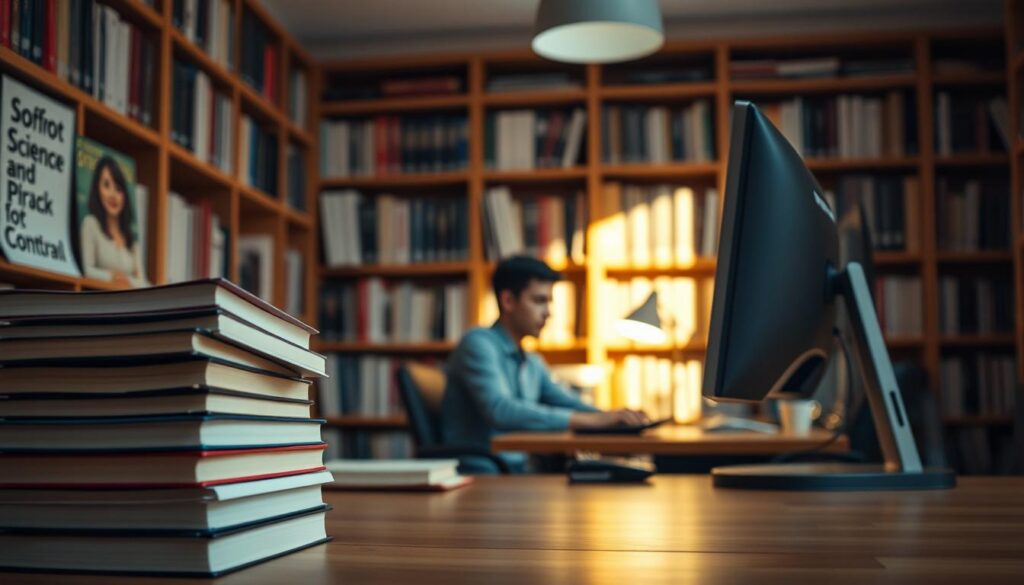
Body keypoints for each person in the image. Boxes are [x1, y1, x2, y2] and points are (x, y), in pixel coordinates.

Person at [441, 255, 648, 473]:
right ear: (508, 301)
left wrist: (612, 418)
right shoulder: (477, 343)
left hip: (519, 468)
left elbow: (565, 402)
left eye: (549, 302)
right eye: (539, 301)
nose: (548, 313)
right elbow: (500, 410)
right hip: (484, 471)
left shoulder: (531, 361)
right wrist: (591, 421)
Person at [79, 156, 149, 288]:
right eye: (106, 185)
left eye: (118, 188)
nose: (113, 195)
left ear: (124, 195)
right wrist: (111, 277)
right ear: (97, 189)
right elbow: (85, 270)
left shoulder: (132, 242)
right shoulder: (90, 224)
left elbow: (144, 284)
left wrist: (124, 280)